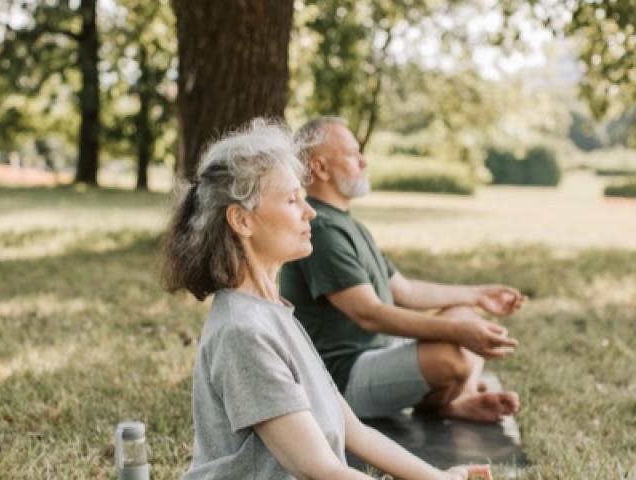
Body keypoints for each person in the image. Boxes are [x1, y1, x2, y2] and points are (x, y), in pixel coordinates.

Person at [162, 119, 473, 479]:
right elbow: (319, 469)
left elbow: (356, 433)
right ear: (242, 221)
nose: (309, 211)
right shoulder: (243, 332)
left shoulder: (274, 313)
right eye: (292, 200)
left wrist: (441, 478)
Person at [280, 116, 524, 422]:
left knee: (466, 314)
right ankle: (452, 399)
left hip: (378, 354)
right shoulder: (322, 230)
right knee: (454, 355)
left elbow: (405, 290)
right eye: (353, 154)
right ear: (320, 168)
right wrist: (460, 333)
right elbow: (369, 314)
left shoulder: (347, 224)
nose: (364, 161)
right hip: (341, 379)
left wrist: (477, 295)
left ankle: (458, 400)